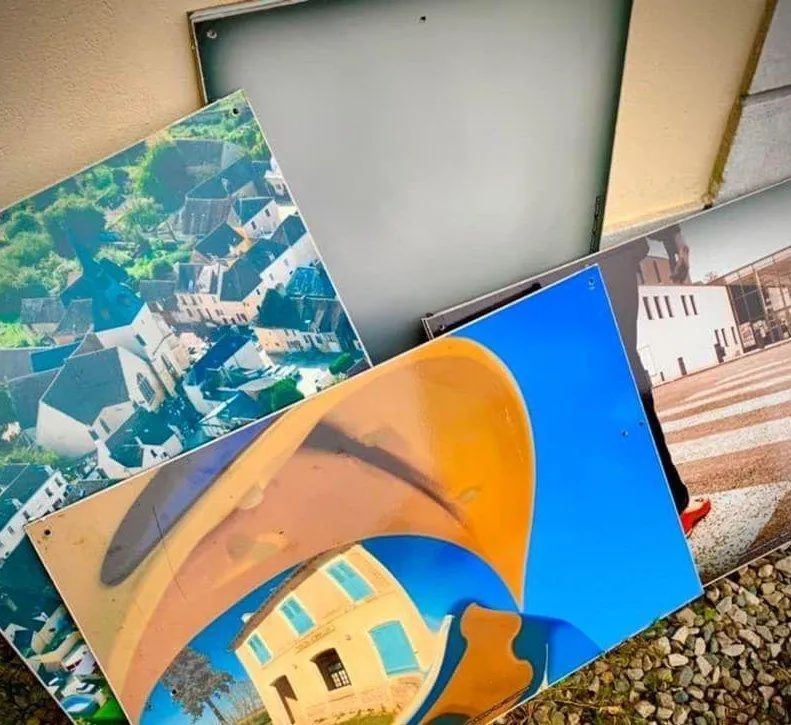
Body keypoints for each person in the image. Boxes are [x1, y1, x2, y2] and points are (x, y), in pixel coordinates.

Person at [600, 223, 711, 535]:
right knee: (627, 373)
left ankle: (638, 510)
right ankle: (674, 508)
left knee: (600, 381)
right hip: (608, 258)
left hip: (551, 273)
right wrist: (674, 237)